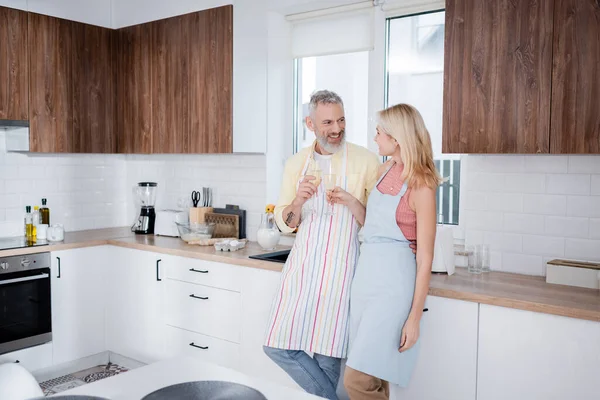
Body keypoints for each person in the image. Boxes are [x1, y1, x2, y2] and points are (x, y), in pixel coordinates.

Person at [262, 89, 380, 400]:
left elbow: (378, 225)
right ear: (310, 123)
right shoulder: (296, 163)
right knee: (276, 345)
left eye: (341, 120)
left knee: (329, 358)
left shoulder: (366, 161)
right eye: (327, 122)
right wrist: (298, 201)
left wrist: (353, 201)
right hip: (302, 269)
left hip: (342, 273)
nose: (337, 128)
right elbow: (285, 222)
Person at [341, 104, 441, 400]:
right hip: (366, 280)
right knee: (375, 377)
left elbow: (425, 259)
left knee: (356, 380)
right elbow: (374, 226)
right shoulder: (384, 171)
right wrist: (349, 201)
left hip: (393, 287)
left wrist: (414, 318)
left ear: (396, 138)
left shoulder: (421, 186)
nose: (375, 138)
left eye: (379, 132)